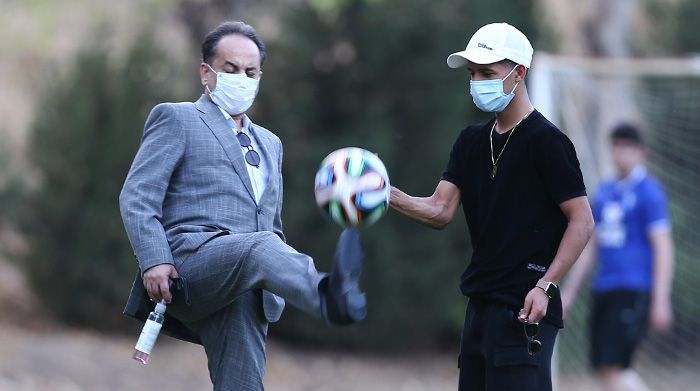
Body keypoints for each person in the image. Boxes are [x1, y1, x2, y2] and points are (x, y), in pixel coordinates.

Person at [119, 21, 367, 390]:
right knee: (263, 245)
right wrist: (154, 259)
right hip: (191, 263)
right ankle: (327, 296)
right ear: (206, 72)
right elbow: (138, 195)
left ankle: (317, 292)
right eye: (231, 69)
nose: (242, 78)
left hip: (246, 287)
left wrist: (272, 289)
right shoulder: (178, 118)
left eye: (251, 72)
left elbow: (272, 221)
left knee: (243, 385)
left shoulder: (270, 143)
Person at [389, 22, 594, 391]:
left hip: (525, 310)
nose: (477, 82)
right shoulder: (470, 140)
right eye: (472, 74)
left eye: (487, 73)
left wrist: (545, 285)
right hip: (480, 309)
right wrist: (385, 194)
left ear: (519, 73)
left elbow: (582, 221)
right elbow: (440, 210)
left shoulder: (548, 142)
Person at [561, 123, 674, 391]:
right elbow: (592, 248)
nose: (621, 153)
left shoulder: (650, 193)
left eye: (628, 147)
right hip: (604, 289)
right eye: (616, 146)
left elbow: (663, 247)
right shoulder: (605, 192)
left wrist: (660, 299)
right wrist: (568, 292)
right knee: (603, 369)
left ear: (641, 152)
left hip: (633, 289)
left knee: (615, 369)